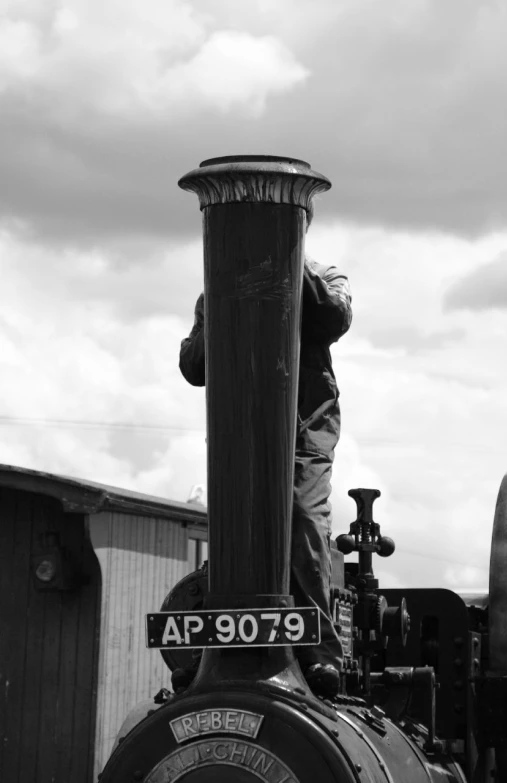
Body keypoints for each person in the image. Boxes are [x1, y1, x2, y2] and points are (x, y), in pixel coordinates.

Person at [179, 206, 352, 698]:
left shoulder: (326, 277)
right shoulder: (214, 290)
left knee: (301, 515)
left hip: (304, 430)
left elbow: (332, 318)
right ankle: (226, 642)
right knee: (235, 526)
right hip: (240, 432)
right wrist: (224, 300)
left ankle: (321, 652)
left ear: (301, 227)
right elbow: (193, 366)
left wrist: (286, 262)